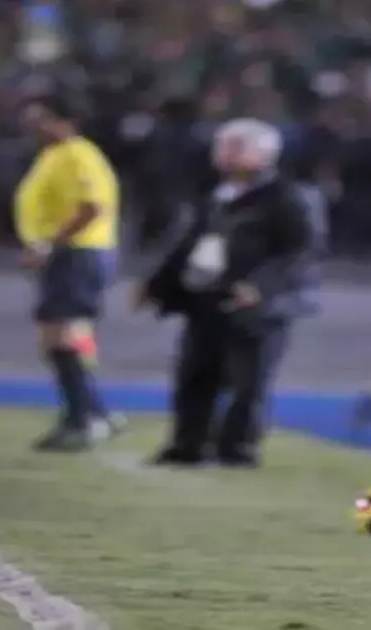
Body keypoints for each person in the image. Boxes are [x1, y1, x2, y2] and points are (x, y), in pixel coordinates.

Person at [134, 118, 320, 468]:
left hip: (259, 307)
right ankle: (187, 444)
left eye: (236, 147)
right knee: (195, 375)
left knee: (247, 382)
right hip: (207, 298)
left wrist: (260, 286)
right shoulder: (217, 195)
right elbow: (190, 243)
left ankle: (237, 448)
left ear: (264, 154)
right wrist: (157, 285)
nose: (224, 154)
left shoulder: (288, 197)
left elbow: (299, 252)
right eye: (223, 146)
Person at [14, 94, 124, 452]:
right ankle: (94, 412)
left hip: (79, 254)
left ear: (66, 121)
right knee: (60, 337)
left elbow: (92, 207)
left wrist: (50, 244)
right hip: (67, 255)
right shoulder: (54, 155)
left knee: (65, 335)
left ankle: (83, 418)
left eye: (40, 119)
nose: (32, 127)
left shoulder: (78, 155)